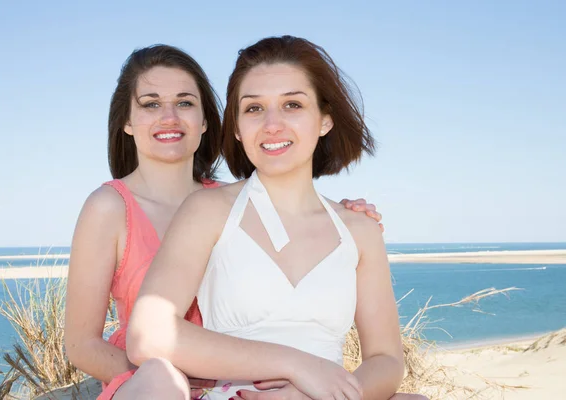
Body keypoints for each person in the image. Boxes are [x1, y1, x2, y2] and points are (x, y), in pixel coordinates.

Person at [63, 44, 383, 400]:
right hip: (152, 379)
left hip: (247, 379)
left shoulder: (233, 202)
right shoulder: (110, 207)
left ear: (206, 121)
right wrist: (183, 379)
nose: (169, 116)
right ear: (126, 120)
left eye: (184, 102)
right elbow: (83, 344)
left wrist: (345, 217)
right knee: (160, 379)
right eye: (151, 103)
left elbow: (289, 203)